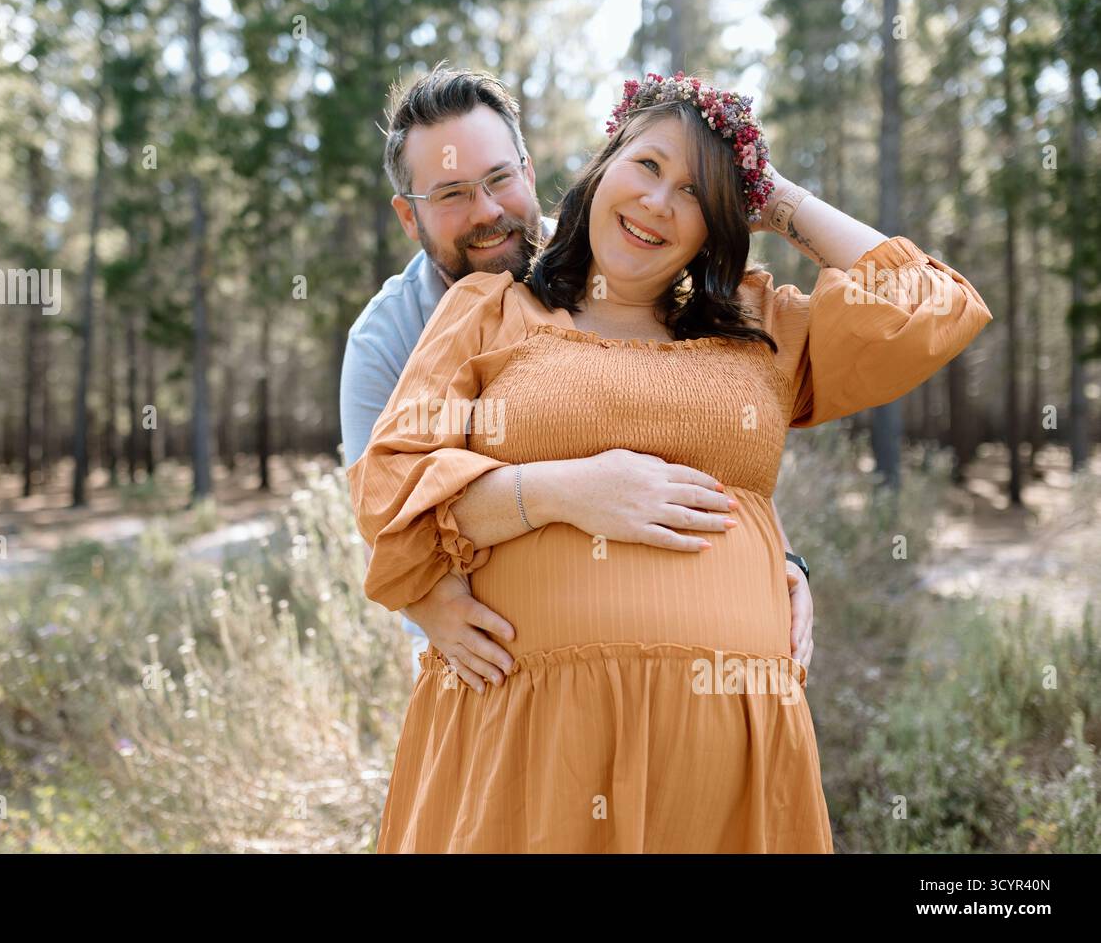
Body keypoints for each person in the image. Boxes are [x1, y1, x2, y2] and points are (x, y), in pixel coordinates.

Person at [347, 69, 993, 852]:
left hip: (726, 756)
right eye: (647, 166)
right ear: (602, 166)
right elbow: (391, 494)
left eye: (695, 192)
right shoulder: (482, 310)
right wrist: (568, 491)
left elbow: (933, 305)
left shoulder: (757, 325)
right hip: (530, 738)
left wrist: (776, 194)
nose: (659, 202)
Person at [340, 64, 814, 687]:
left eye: (499, 178)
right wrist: (429, 607)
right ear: (410, 217)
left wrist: (775, 555)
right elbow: (386, 505)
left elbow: (703, 420)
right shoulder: (386, 339)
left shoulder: (620, 254)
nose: (487, 211)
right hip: (486, 662)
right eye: (451, 194)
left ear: (528, 172)